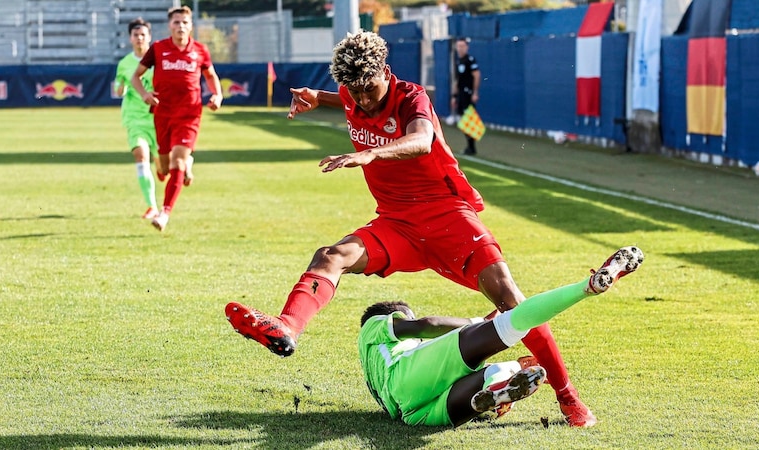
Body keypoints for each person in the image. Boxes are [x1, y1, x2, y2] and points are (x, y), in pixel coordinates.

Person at [224, 30, 597, 427]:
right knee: (331, 256)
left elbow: (421, 140)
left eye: (369, 88)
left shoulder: (411, 97)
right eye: (354, 91)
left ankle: (568, 397)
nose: (363, 99)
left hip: (448, 216)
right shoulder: (353, 93)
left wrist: (369, 154)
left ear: (385, 71)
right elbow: (350, 99)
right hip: (397, 223)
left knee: (513, 302)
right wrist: (320, 98)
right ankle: (286, 327)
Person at [229, 246, 645, 427]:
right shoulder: (376, 326)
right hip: (410, 375)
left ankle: (494, 387)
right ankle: (587, 286)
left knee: (473, 386)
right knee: (513, 322)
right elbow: (426, 322)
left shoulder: (373, 363)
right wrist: (471, 324)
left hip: (408, 412)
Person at [130, 6, 223, 232]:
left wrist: (217, 95)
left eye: (184, 22)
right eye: (176, 22)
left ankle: (164, 213)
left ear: (191, 26)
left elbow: (211, 75)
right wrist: (145, 94)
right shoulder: (158, 48)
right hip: (163, 113)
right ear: (169, 26)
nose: (180, 26)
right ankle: (185, 166)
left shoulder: (200, 50)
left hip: (189, 114)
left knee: (177, 162)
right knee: (162, 169)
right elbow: (136, 76)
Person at [113, 17, 161, 220]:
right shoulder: (125, 64)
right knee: (141, 156)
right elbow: (118, 90)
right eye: (136, 35)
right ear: (130, 38)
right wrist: (120, 88)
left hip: (158, 118)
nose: (140, 38)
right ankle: (152, 206)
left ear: (149, 37)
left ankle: (161, 166)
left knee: (163, 166)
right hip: (135, 118)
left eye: (143, 35)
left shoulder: (159, 60)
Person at [451, 37, 481, 156]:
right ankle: (470, 145)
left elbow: (477, 76)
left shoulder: (470, 60)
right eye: (458, 46)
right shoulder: (459, 61)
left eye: (462, 46)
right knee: (463, 119)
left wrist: (475, 92)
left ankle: (472, 147)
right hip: (461, 94)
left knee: (468, 118)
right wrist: (454, 95)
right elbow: (457, 80)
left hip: (468, 93)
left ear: (467, 47)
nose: (460, 48)